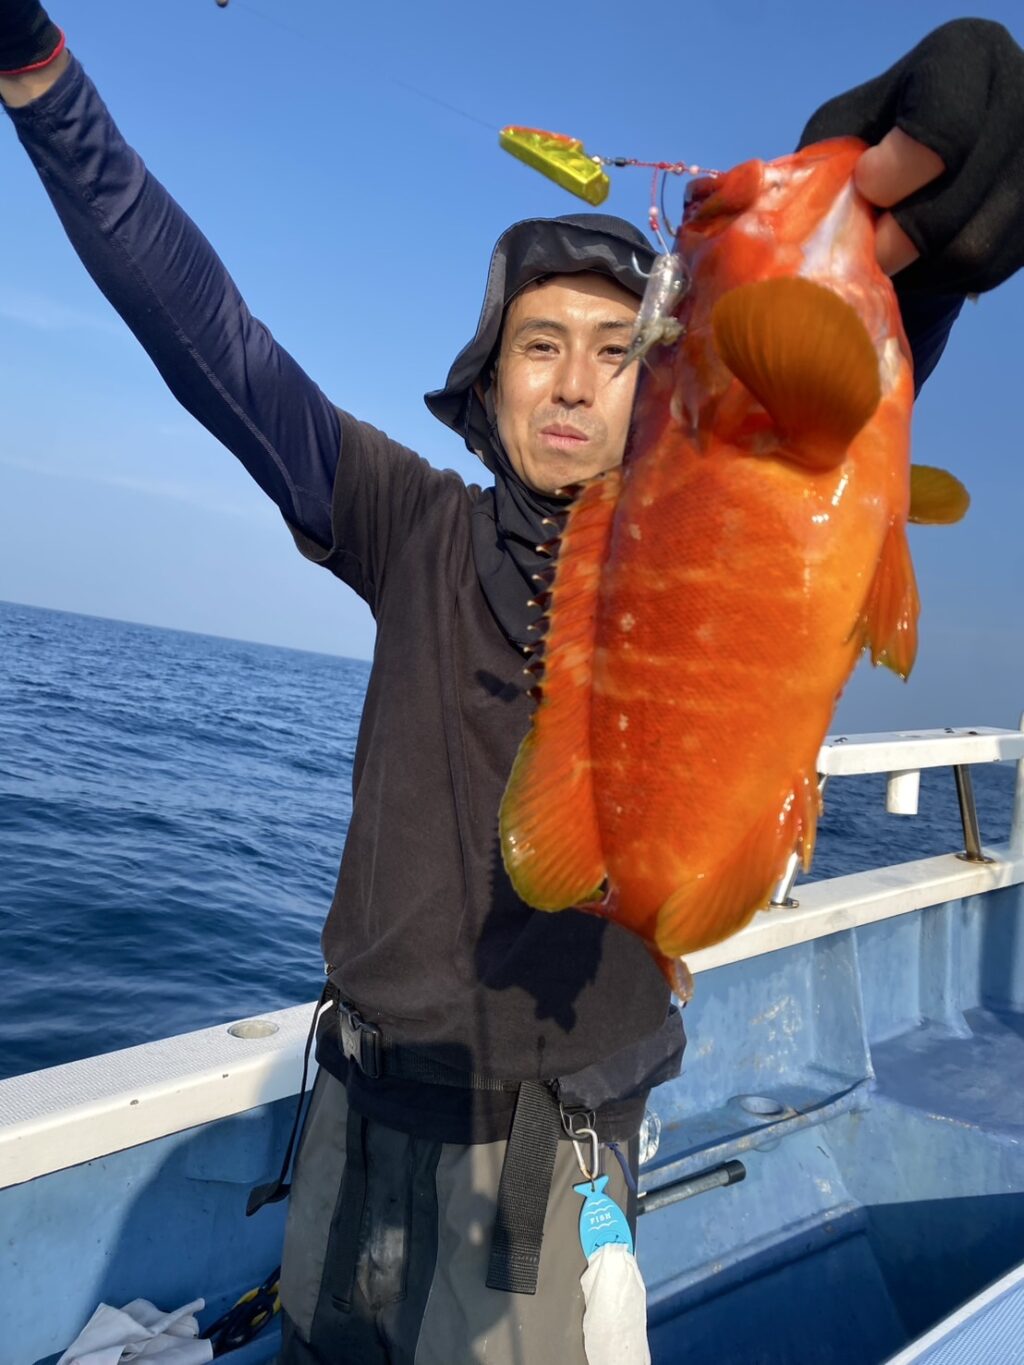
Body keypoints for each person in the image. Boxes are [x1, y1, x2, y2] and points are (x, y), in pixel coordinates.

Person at [3, 6, 1023, 1362]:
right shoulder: (408, 525)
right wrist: (39, 80)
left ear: (662, 387)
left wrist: (921, 274)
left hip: (548, 1152)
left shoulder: (723, 499)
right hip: (353, 1112)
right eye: (539, 344)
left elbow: (816, 465)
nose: (575, 383)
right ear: (485, 386)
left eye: (617, 348)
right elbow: (206, 329)